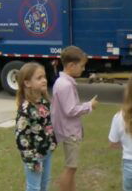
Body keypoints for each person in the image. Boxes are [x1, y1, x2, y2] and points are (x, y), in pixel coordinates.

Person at [51, 46, 99, 191]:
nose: (83, 69)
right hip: (69, 132)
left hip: (67, 131)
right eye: (82, 66)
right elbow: (70, 110)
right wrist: (89, 105)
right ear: (71, 65)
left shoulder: (63, 82)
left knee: (72, 167)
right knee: (70, 168)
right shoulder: (65, 85)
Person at [15, 62, 57, 191]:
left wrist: (53, 142)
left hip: (47, 152)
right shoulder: (25, 109)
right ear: (27, 83)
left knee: (44, 185)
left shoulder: (45, 102)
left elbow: (49, 125)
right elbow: (21, 138)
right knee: (34, 188)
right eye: (39, 78)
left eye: (44, 76)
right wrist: (32, 161)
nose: (44, 80)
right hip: (34, 156)